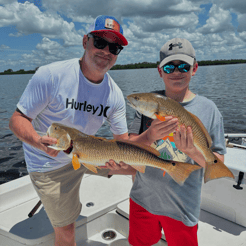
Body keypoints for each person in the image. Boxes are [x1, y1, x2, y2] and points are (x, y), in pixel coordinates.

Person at [9, 15, 135, 246]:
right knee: (67, 229)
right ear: (85, 41)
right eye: (100, 42)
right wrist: (37, 141)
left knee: (140, 172)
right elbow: (17, 119)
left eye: (114, 47)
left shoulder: (114, 94)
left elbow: (122, 142)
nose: (106, 51)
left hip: (88, 154)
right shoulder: (51, 75)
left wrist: (137, 154)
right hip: (49, 165)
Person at [127, 38, 226, 246]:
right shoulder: (148, 107)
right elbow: (129, 147)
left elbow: (217, 160)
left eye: (183, 66)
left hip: (182, 207)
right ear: (160, 71)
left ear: (194, 68)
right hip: (142, 200)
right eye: (169, 66)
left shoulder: (209, 110)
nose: (177, 71)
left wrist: (192, 150)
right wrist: (149, 136)